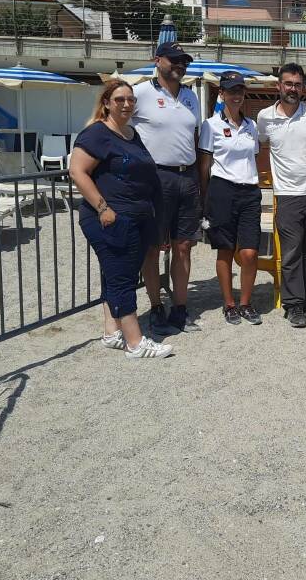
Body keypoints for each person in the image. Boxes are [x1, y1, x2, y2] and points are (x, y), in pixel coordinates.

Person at [69, 81, 172, 358]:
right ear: (106, 103)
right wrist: (103, 208)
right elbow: (77, 171)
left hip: (134, 216)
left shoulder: (130, 133)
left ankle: (111, 331)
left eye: (130, 99)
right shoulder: (96, 134)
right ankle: (135, 342)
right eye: (119, 100)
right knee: (122, 277)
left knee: (114, 273)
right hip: (110, 219)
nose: (126, 104)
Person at [257, 63, 306, 328]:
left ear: (303, 88)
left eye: (297, 84)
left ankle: (305, 297)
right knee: (291, 251)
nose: (293, 88)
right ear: (279, 86)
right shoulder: (265, 117)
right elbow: (260, 148)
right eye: (288, 83)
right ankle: (293, 306)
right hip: (287, 195)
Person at [132, 41, 202, 336]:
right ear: (157, 60)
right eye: (174, 59)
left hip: (188, 177)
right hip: (156, 177)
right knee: (152, 248)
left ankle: (181, 307)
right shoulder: (139, 93)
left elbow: (195, 137)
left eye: (183, 60)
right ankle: (155, 306)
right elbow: (116, 126)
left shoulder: (191, 96)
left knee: (183, 246)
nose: (179, 65)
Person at [198, 71, 263, 326]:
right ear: (221, 94)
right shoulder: (211, 125)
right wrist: (204, 200)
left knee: (249, 252)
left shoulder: (252, 126)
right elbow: (204, 165)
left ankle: (246, 302)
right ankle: (229, 304)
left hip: (249, 191)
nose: (236, 95)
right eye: (231, 91)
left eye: (240, 91)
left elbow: (254, 157)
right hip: (222, 190)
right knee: (225, 250)